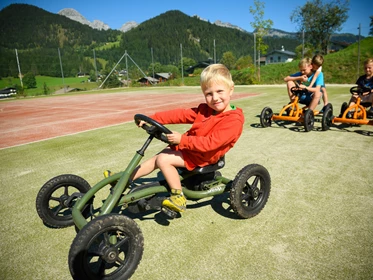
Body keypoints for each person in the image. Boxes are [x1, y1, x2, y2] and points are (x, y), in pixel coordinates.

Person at [129, 64, 244, 213]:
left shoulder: (233, 120)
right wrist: (153, 119)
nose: (215, 98)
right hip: (191, 150)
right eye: (209, 93)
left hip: (204, 157)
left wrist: (183, 140)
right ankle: (126, 179)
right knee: (158, 158)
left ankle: (178, 197)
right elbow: (180, 114)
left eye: (219, 91)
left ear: (231, 90)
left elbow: (211, 144)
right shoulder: (205, 110)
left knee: (163, 159)